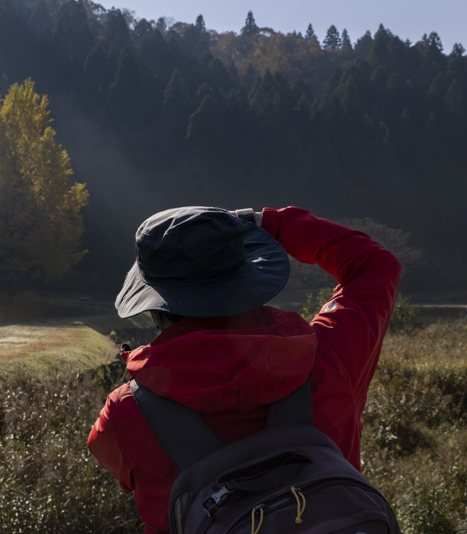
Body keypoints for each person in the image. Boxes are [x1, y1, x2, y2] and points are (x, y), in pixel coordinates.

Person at [87, 206, 402, 534]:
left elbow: (104, 451)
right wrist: (268, 222)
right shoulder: (327, 354)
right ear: (252, 280)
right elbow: (374, 265)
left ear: (154, 310)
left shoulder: (126, 413)